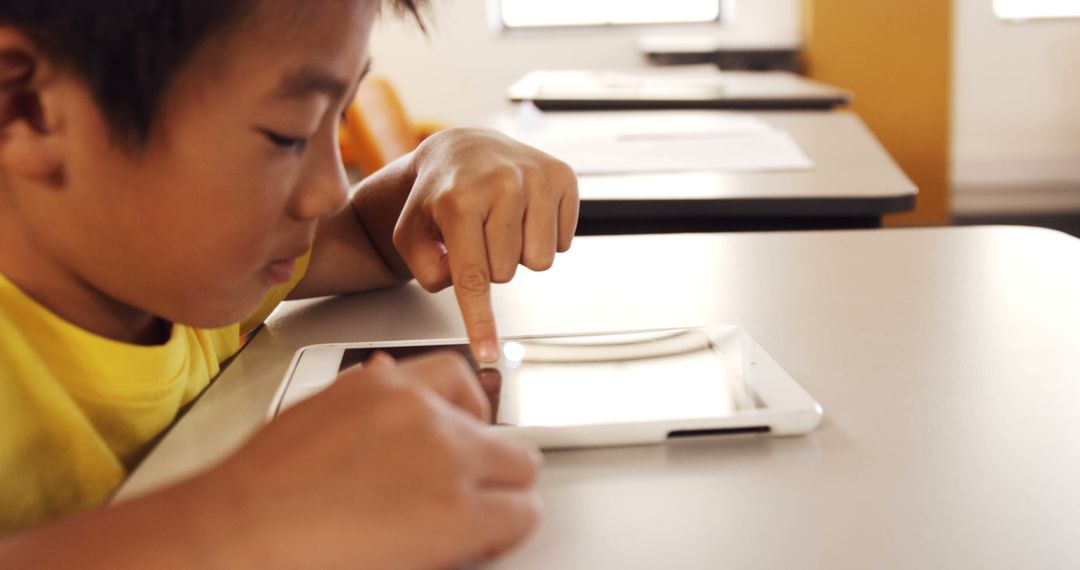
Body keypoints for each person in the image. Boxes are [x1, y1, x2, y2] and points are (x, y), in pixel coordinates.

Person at [0, 0, 579, 566]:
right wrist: (229, 524)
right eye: (289, 135)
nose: (329, 190)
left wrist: (446, 159)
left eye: (341, 117)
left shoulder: (190, 268)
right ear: (25, 108)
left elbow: (370, 236)